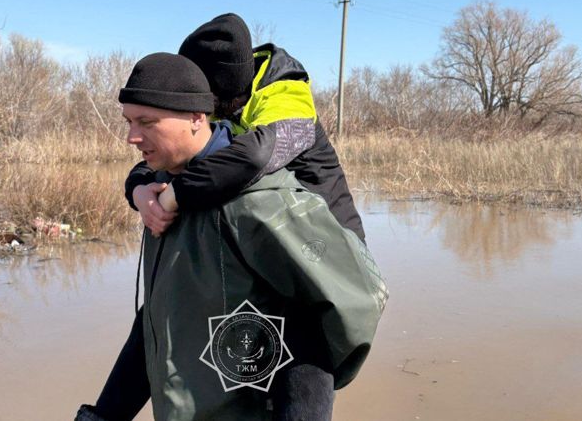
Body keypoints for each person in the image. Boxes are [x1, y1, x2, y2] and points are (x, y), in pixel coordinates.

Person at [77, 53, 387, 421]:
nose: (131, 136)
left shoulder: (256, 203)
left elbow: (350, 304)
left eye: (147, 121)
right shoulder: (162, 195)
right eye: (128, 121)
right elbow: (158, 319)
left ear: (197, 117)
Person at [125, 13, 364, 242]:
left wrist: (174, 194)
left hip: (334, 238)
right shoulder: (224, 107)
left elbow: (255, 157)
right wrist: (139, 189)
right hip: (282, 238)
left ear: (218, 93)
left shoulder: (288, 95)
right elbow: (172, 156)